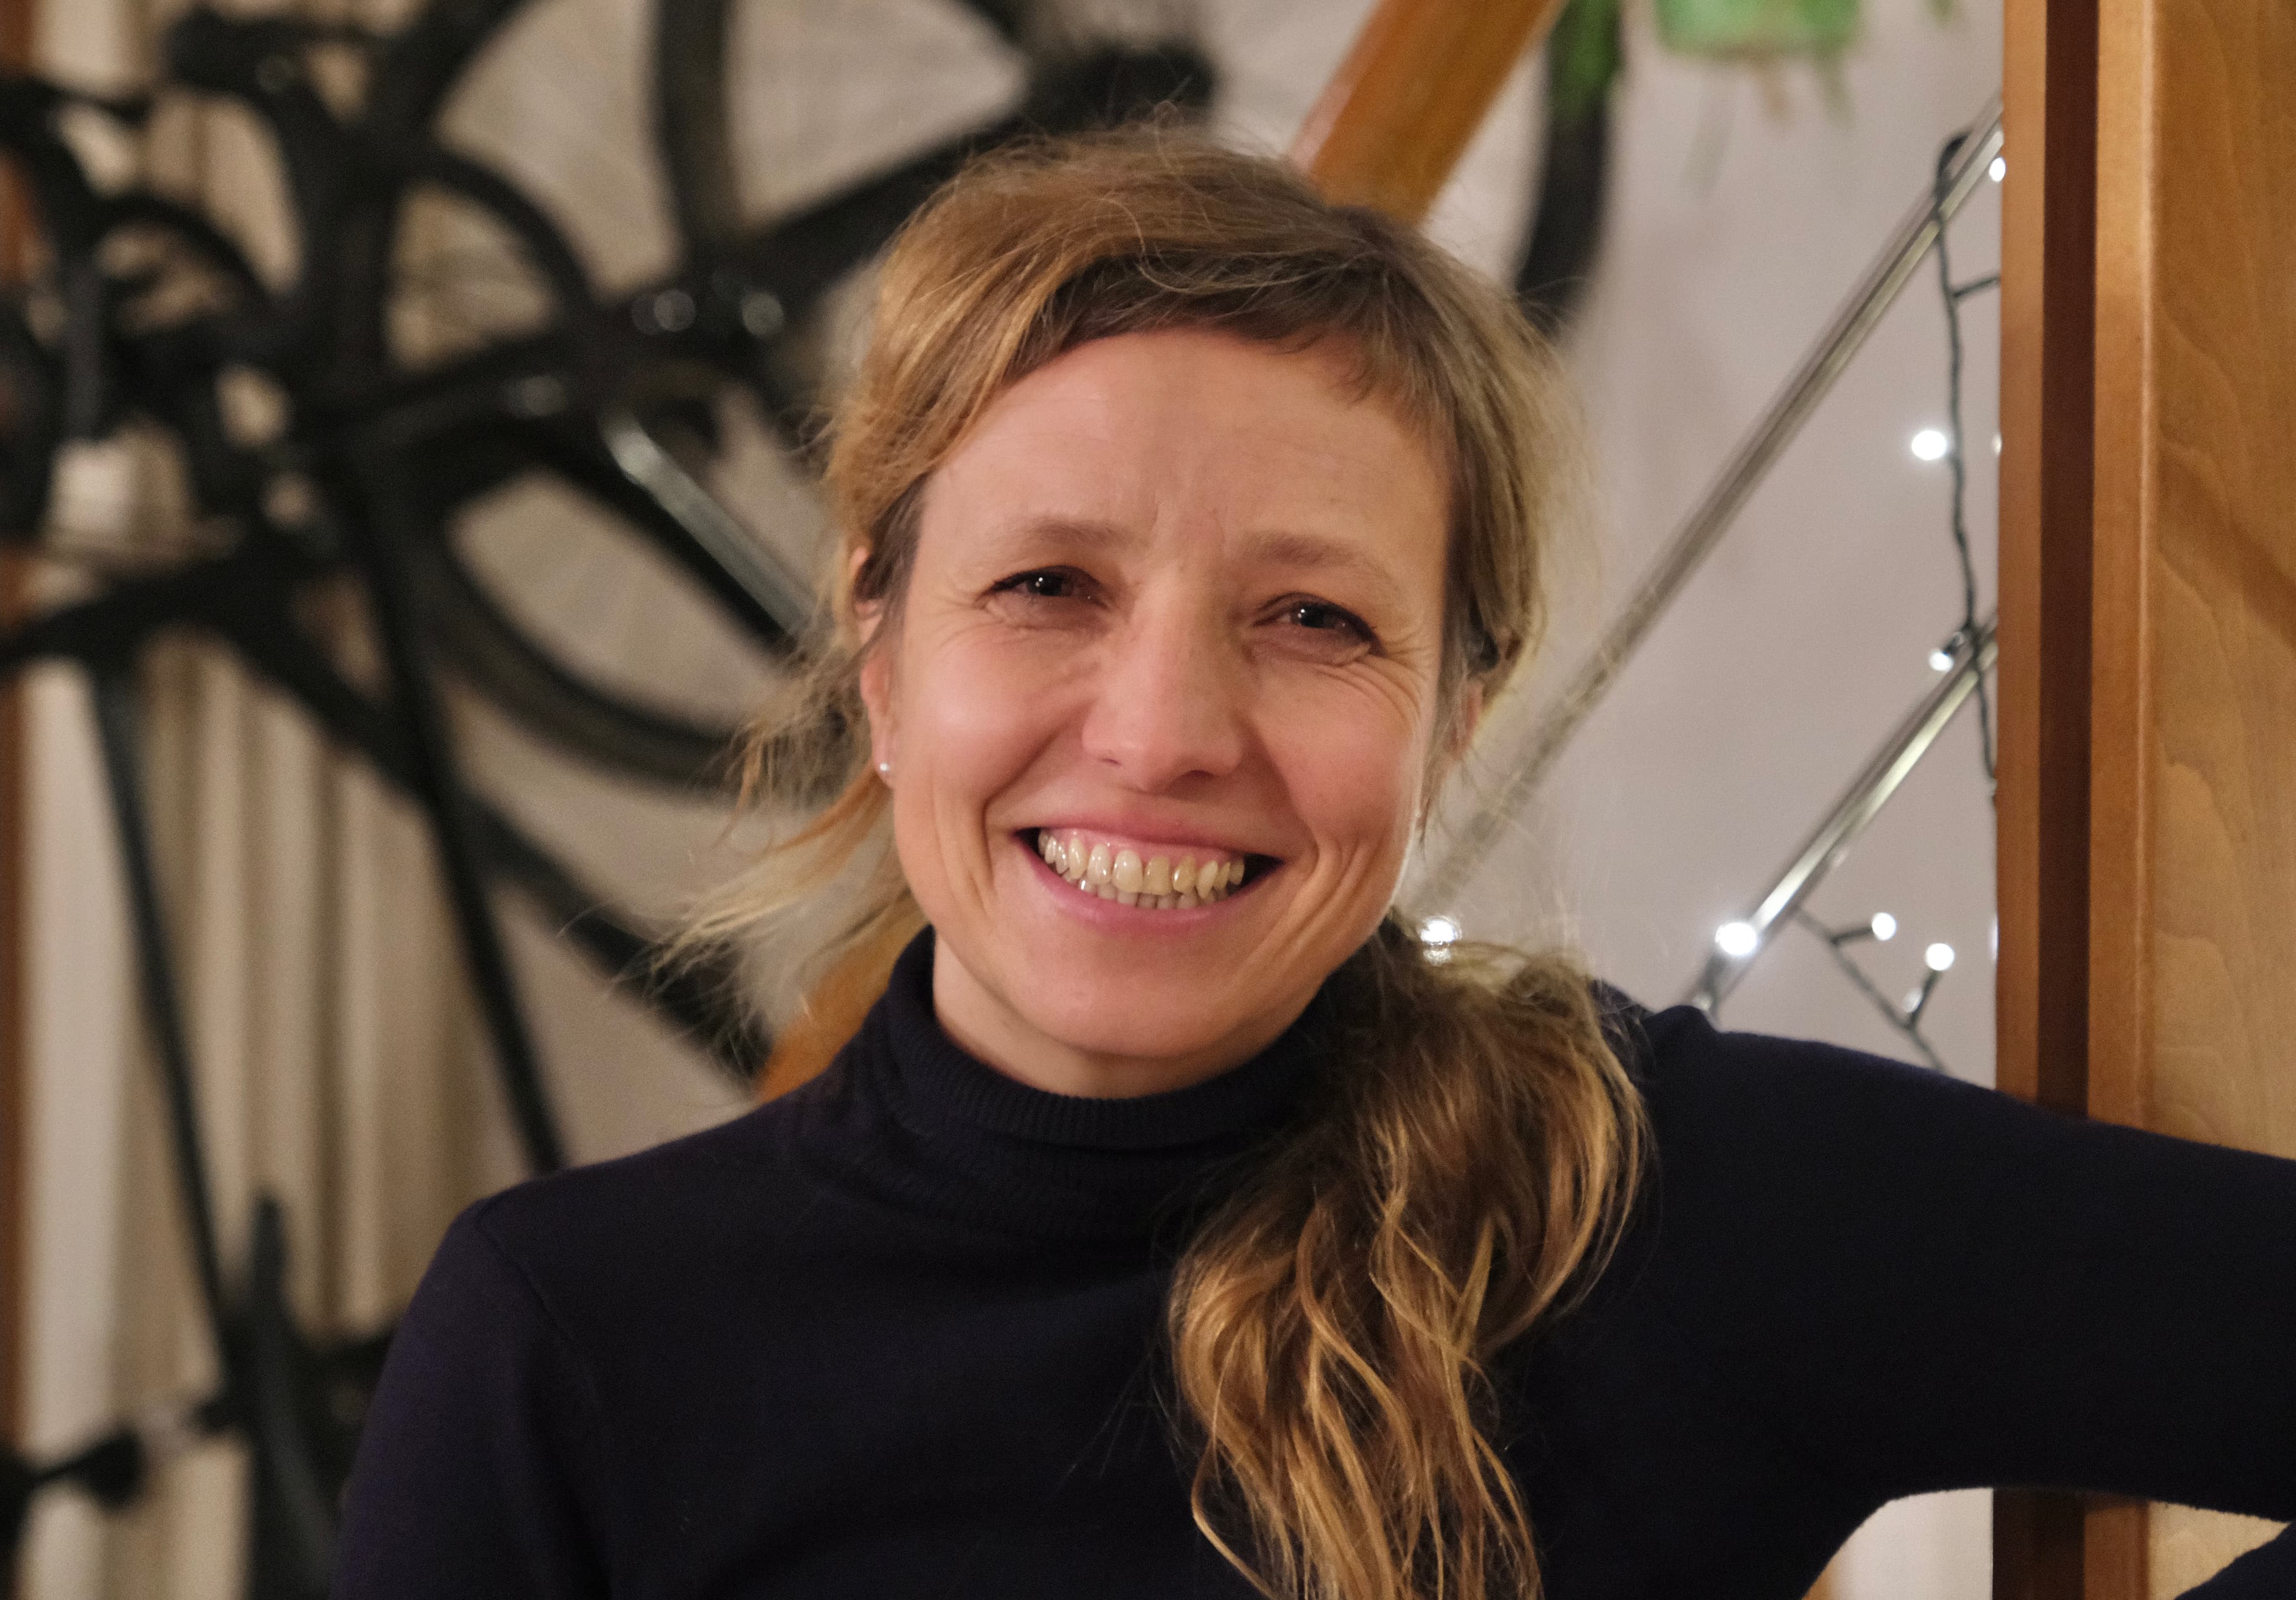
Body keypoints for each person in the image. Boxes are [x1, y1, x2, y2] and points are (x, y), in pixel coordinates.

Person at [332, 134, 2296, 1600]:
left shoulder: (1673, 1205)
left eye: (1314, 620)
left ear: (1456, 712)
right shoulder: (569, 1343)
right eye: (1049, 586)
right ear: (883, 653)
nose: (1165, 729)